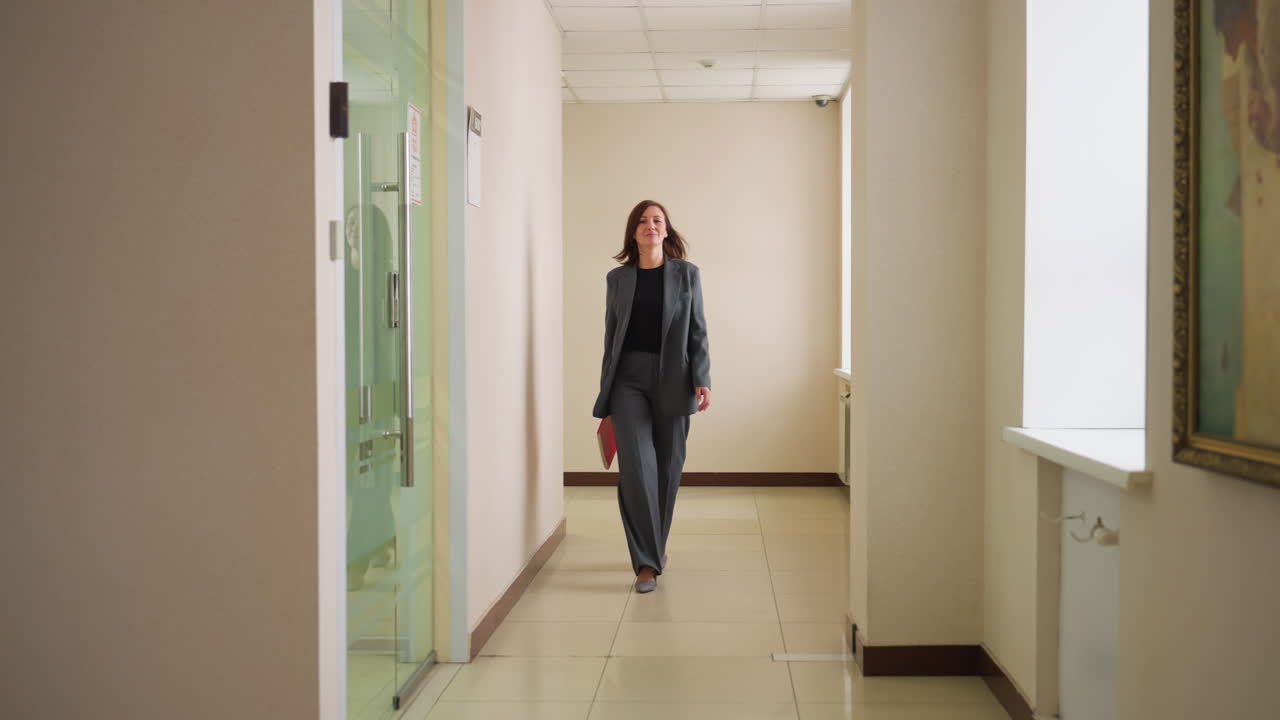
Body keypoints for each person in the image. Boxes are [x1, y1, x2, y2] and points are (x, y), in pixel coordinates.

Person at [592, 200, 711, 593]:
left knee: (667, 468)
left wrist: (701, 377)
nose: (650, 226)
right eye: (643, 221)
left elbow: (698, 331)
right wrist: (606, 390)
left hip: (673, 378)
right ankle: (646, 562)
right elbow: (612, 338)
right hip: (628, 381)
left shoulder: (687, 275)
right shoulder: (618, 279)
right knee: (637, 468)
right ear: (633, 232)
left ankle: (657, 545)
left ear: (666, 230)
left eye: (657, 220)